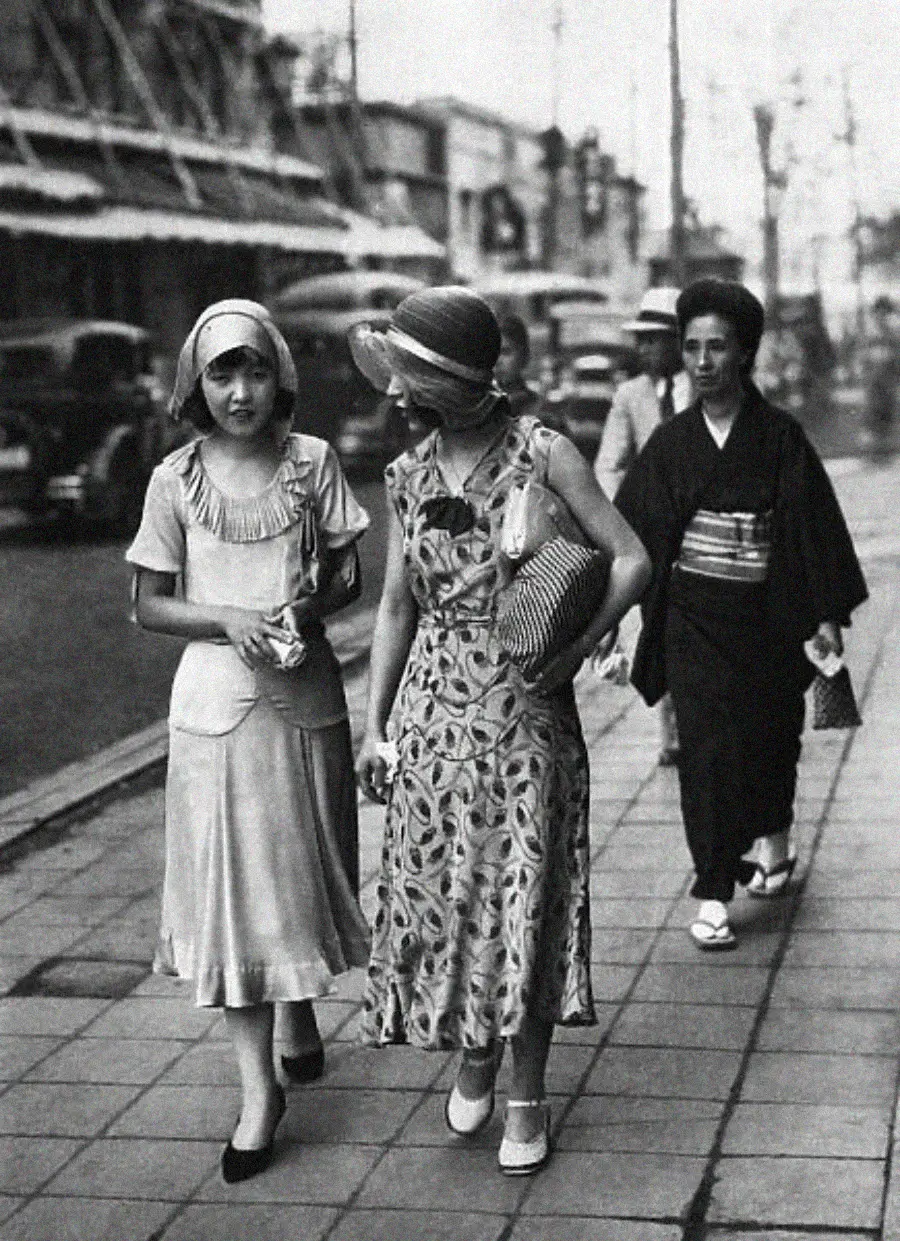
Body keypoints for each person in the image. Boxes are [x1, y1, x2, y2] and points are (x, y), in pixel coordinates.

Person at [351, 286, 650, 1175]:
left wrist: (582, 652)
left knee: (523, 896)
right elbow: (396, 605)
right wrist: (375, 726)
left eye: (413, 378)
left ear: (458, 378)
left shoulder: (544, 455)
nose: (396, 395)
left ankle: (527, 1092)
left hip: (526, 716)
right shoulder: (405, 476)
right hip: (433, 723)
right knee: (447, 898)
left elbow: (631, 557)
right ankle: (473, 1045)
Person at [126, 300, 371, 1183]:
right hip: (216, 710)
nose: (241, 391)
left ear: (281, 377)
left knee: (302, 869)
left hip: (306, 700)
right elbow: (149, 602)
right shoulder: (174, 479)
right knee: (238, 892)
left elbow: (350, 570)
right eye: (223, 373)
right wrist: (229, 616)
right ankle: (259, 1090)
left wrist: (308, 602)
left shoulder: (312, 464)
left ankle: (299, 1013)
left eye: (256, 371)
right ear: (198, 382)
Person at [615, 280, 867, 951]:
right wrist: (609, 614)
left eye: (716, 346)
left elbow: (813, 530)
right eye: (691, 346)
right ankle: (713, 887)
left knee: (770, 740)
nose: (701, 361)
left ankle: (775, 846)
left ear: (744, 352)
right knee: (705, 753)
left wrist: (825, 616)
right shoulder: (670, 443)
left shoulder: (779, 437)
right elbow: (631, 534)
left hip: (768, 617)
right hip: (694, 622)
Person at [594, 286, 692, 765]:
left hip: (702, 530)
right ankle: (670, 731)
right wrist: (622, 522)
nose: (646, 350)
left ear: (680, 340)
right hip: (653, 532)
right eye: (642, 341)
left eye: (656, 339)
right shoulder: (630, 396)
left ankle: (704, 718)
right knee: (661, 627)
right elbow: (609, 464)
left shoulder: (706, 388)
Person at [495, 314, 542, 418]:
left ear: (524, 356)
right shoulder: (471, 412)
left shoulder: (541, 412)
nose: (497, 361)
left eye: (505, 352)